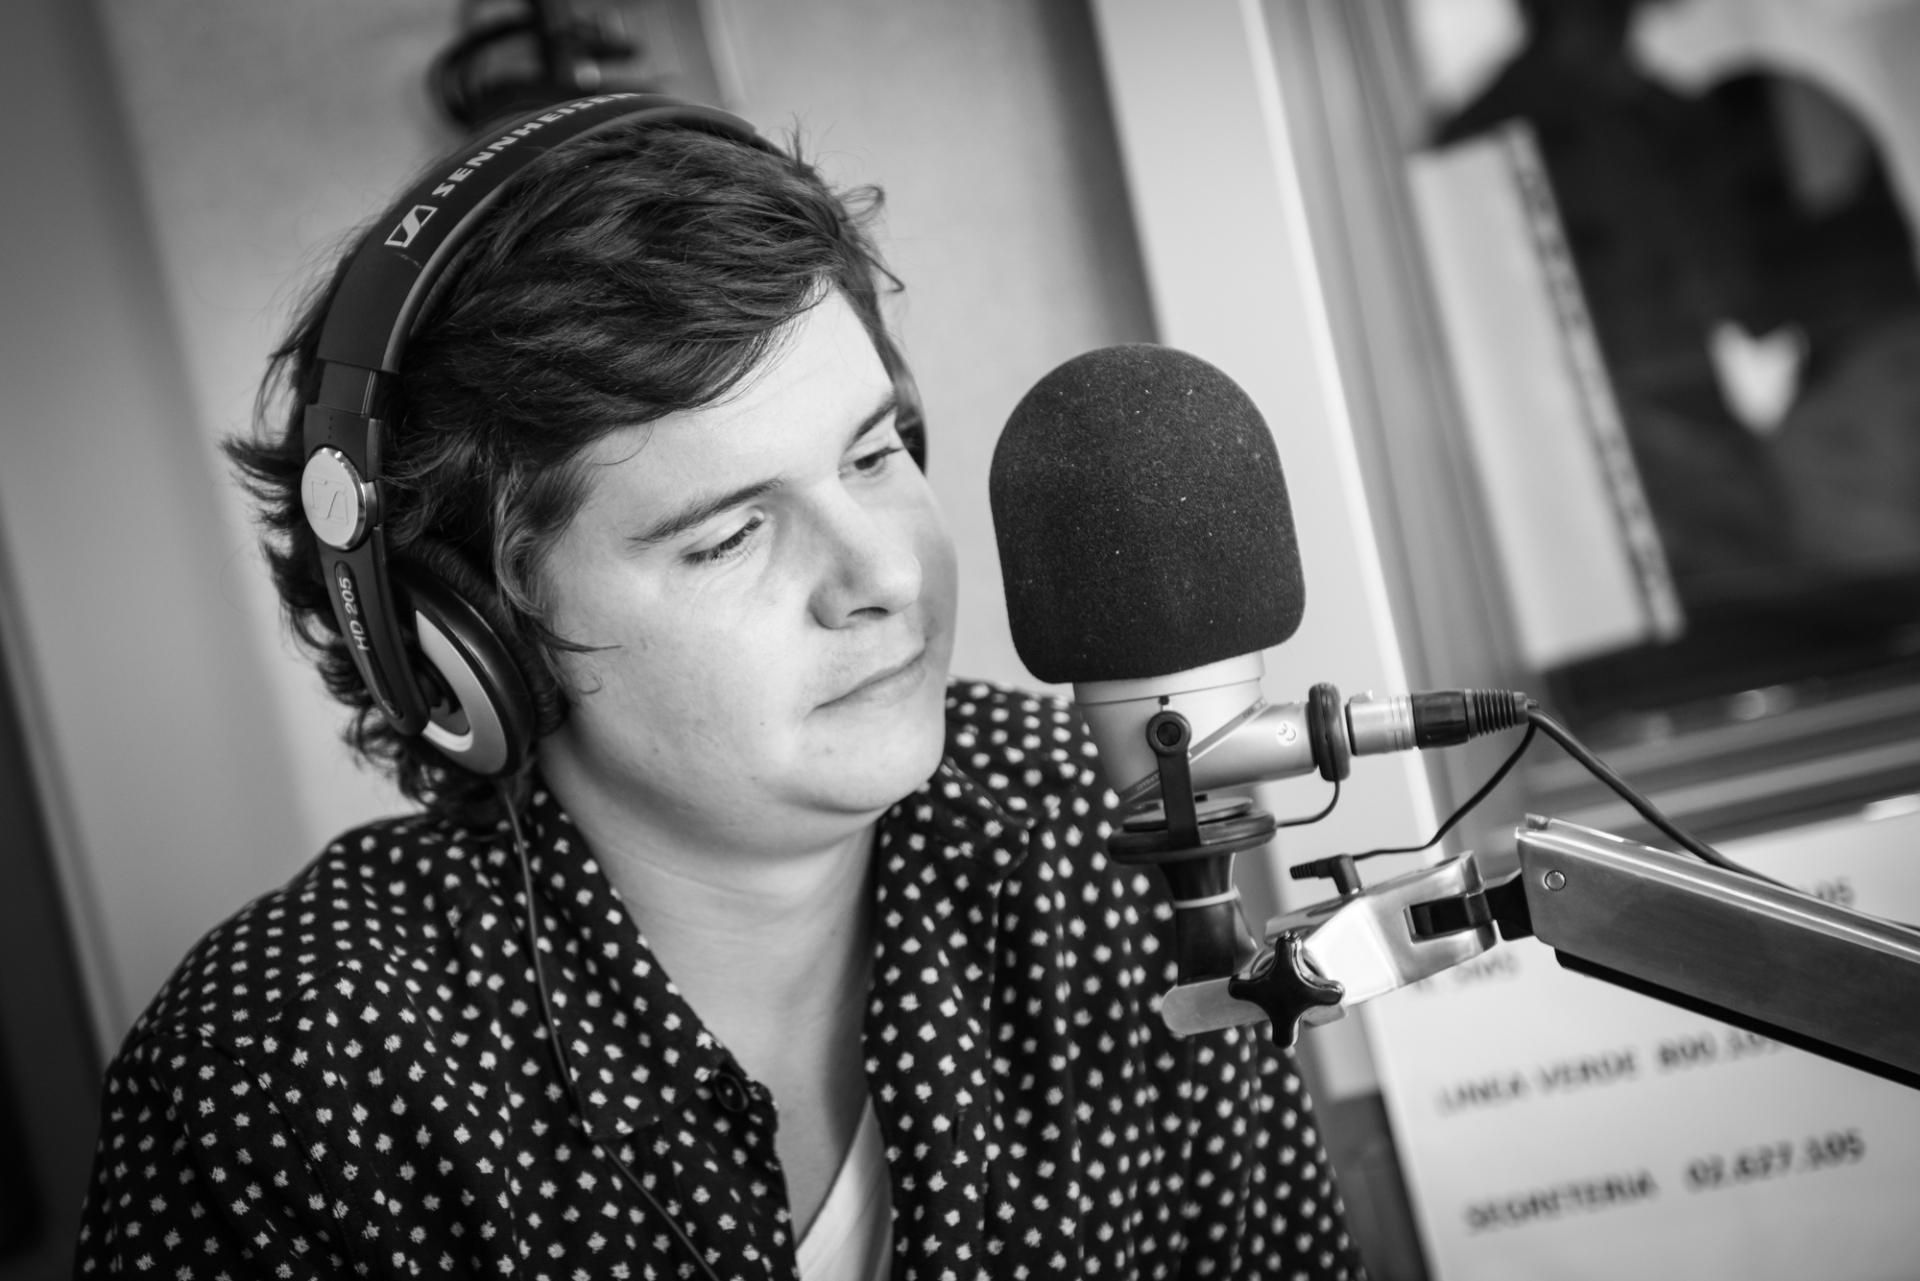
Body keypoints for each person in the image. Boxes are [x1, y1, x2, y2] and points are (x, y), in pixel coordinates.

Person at [71, 95, 1365, 1280]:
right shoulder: (286, 1070)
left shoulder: (1087, 818)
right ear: (471, 647)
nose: (881, 577)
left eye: (872, 457)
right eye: (730, 535)